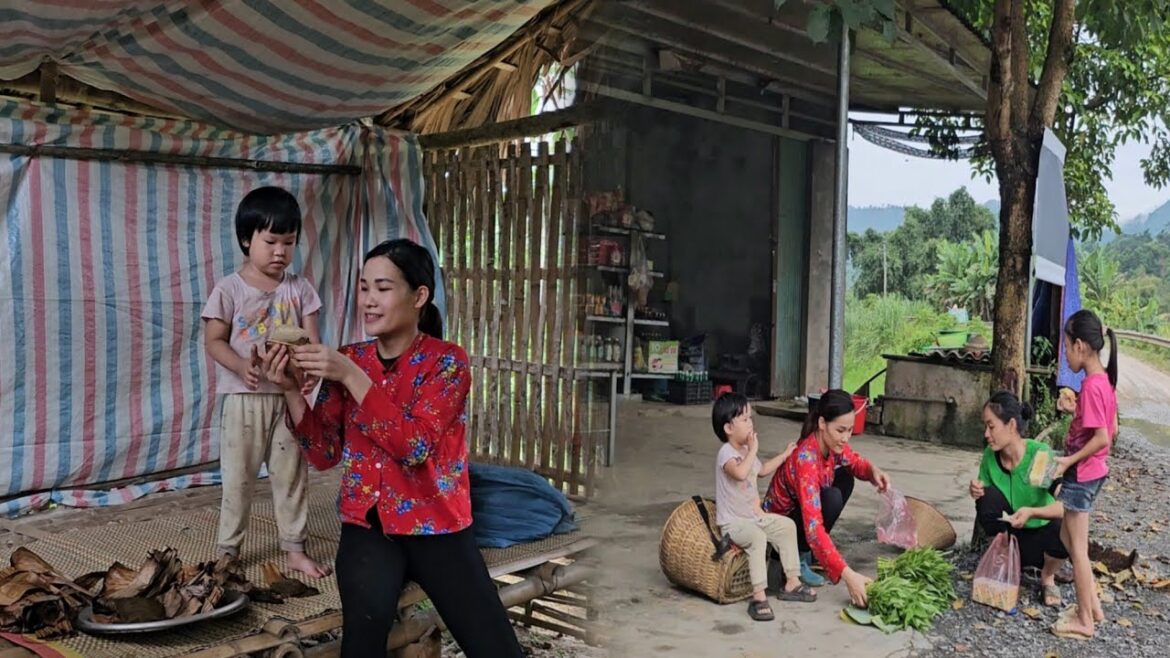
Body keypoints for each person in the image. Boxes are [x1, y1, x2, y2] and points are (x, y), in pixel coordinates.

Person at [264, 239, 524, 658]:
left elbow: (414, 445)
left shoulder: (447, 363)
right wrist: (293, 390)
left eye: (382, 288)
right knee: (362, 643)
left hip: (438, 524)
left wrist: (349, 375)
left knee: (495, 648)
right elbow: (324, 453)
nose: (368, 300)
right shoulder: (350, 359)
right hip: (369, 527)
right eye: (364, 287)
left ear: (419, 296)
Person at [201, 186, 330, 578]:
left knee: (292, 476)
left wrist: (305, 372)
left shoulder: (300, 289)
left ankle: (294, 548)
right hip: (245, 399)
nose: (280, 252)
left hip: (288, 400)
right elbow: (213, 341)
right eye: (270, 241)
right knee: (237, 479)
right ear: (246, 239)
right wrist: (241, 366)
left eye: (288, 242)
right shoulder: (229, 289)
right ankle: (228, 552)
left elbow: (312, 342)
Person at [762, 389, 891, 607]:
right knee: (831, 498)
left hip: (800, 514)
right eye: (840, 430)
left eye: (849, 431)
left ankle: (809, 553)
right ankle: (794, 557)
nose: (846, 438)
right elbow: (813, 528)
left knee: (845, 478)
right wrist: (849, 576)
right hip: (778, 526)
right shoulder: (806, 459)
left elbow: (855, 462)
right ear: (822, 423)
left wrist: (873, 472)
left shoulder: (831, 445)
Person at [712, 393, 816, 622]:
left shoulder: (745, 452)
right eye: (745, 419)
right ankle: (758, 596)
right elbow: (740, 474)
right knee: (758, 538)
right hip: (733, 524)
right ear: (729, 428)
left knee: (787, 526)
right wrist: (752, 450)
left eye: (750, 418)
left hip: (753, 517)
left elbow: (762, 470)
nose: (751, 423)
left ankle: (792, 582)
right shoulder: (726, 454)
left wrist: (785, 454)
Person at [1050, 309, 1118, 641]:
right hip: (1095, 472)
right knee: (1068, 538)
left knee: (1077, 549)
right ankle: (1093, 606)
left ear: (1080, 346)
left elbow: (1102, 437)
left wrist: (1067, 462)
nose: (1065, 354)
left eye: (1066, 347)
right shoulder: (1104, 381)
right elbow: (1112, 428)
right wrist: (1075, 413)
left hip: (1082, 473)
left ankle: (1085, 620)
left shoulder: (1091, 386)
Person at [969, 391, 1068, 608]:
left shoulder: (1038, 454)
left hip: (1041, 542)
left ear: (1011, 425)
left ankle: (1048, 578)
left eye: (991, 426)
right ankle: (1003, 562)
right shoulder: (989, 455)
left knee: (1065, 526)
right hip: (1008, 539)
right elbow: (986, 500)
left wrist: (1032, 512)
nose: (986, 433)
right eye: (986, 427)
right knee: (987, 497)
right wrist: (975, 490)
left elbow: (1066, 506)